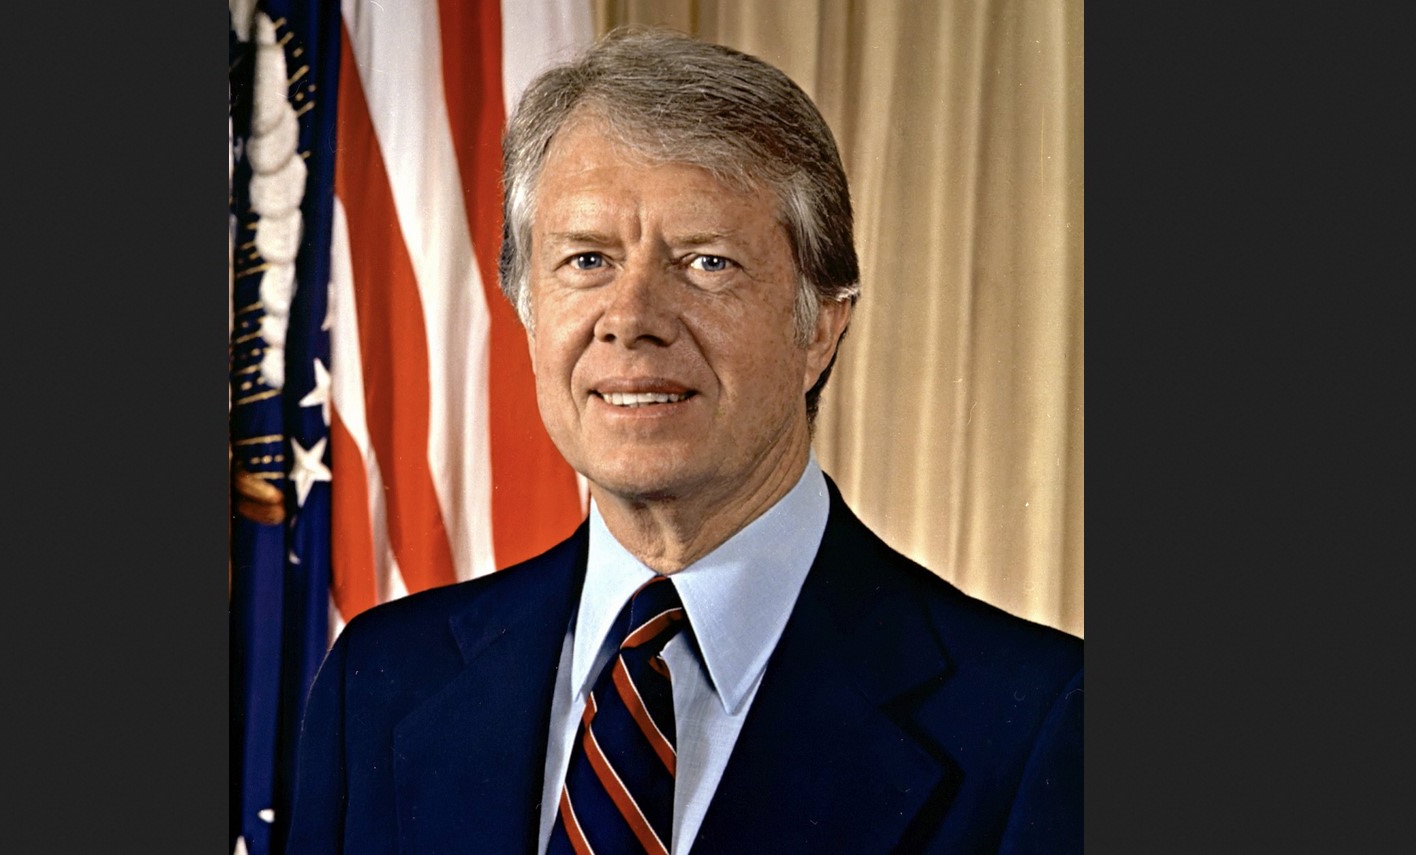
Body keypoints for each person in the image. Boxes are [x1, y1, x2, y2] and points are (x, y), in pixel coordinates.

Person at [287, 27, 1081, 854]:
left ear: (821, 326)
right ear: (526, 311)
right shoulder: (380, 683)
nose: (630, 319)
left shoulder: (1037, 721)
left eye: (706, 262)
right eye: (588, 258)